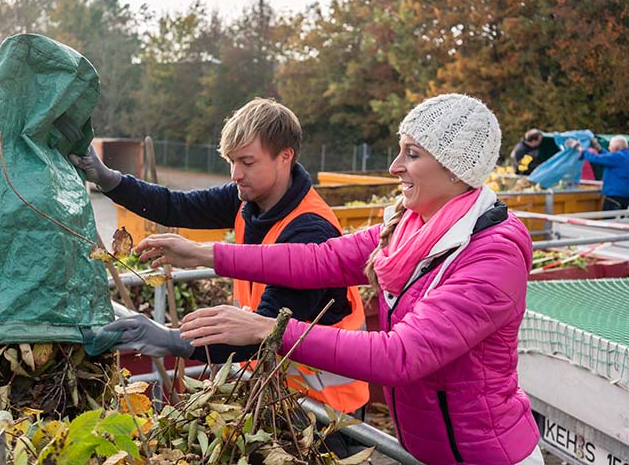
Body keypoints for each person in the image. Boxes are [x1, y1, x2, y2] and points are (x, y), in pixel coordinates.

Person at [137, 94, 544, 465]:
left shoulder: (492, 253)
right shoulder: (410, 226)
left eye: (412, 154)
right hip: (429, 450)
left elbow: (400, 355)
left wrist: (266, 329)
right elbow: (321, 259)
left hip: (487, 455)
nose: (394, 166)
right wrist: (203, 252)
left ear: (455, 170)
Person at [73, 98, 370, 451]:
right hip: (274, 393)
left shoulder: (310, 230)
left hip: (326, 414)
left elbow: (265, 329)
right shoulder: (247, 199)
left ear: (285, 157)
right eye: (231, 162)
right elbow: (176, 204)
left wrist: (172, 340)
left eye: (247, 162)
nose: (235, 174)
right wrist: (109, 179)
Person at [570, 136, 629, 211]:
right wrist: (599, 149)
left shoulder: (618, 156)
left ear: (617, 147)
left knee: (609, 221)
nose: (608, 147)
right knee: (619, 221)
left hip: (614, 197)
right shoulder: (625, 156)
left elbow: (596, 158)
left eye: (610, 145)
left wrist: (580, 149)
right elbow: (609, 158)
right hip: (625, 197)